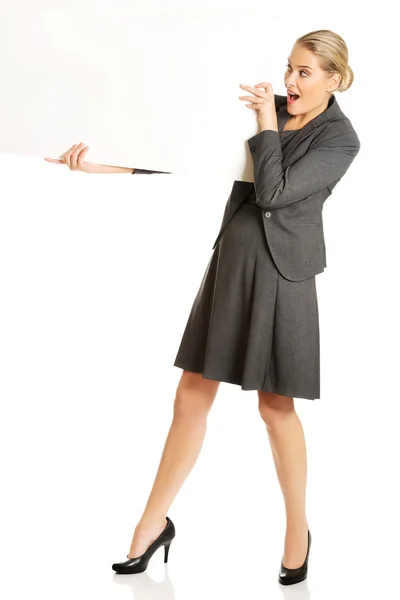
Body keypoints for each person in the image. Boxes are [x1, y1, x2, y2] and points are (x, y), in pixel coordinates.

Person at [45, 29, 360, 585]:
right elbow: (186, 151)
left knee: (275, 408)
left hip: (284, 276)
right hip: (232, 265)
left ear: (335, 78)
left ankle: (297, 534)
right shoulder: (270, 108)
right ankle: (151, 523)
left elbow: (275, 193)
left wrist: (266, 121)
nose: (290, 81)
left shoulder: (340, 140)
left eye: (305, 73)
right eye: (289, 67)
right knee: (191, 394)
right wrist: (104, 167)